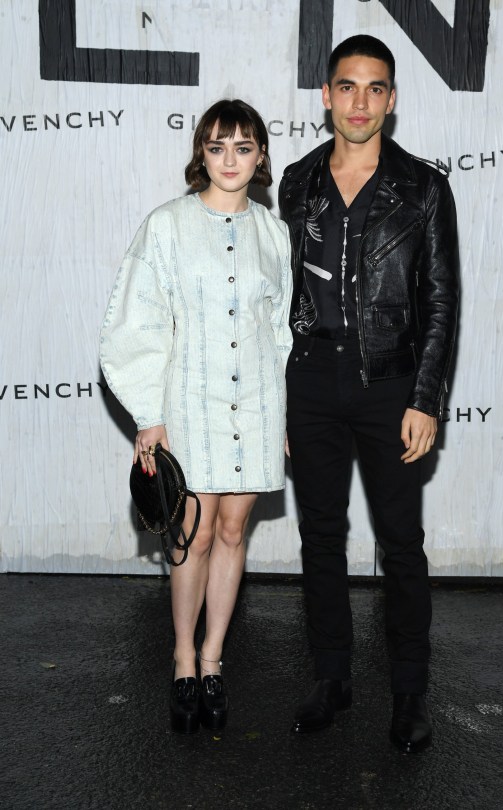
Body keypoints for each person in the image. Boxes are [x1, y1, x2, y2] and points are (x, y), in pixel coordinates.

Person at [279, 35, 459, 752]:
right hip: (311, 379)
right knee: (321, 537)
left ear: (391, 99)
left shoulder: (423, 188)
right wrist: (279, 398)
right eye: (347, 87)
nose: (360, 102)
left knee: (401, 544)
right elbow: (278, 296)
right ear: (326, 95)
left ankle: (410, 692)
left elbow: (441, 301)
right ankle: (332, 678)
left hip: (391, 385)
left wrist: (427, 398)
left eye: (374, 88)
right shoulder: (296, 182)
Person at [100, 99, 293, 734]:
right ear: (201, 155)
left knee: (233, 533)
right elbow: (140, 322)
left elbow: (281, 332)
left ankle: (214, 659)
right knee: (194, 535)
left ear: (260, 156)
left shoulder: (275, 234)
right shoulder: (166, 226)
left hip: (257, 404)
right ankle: (183, 656)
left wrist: (284, 414)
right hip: (190, 404)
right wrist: (148, 416)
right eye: (217, 147)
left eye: (243, 147)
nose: (229, 160)